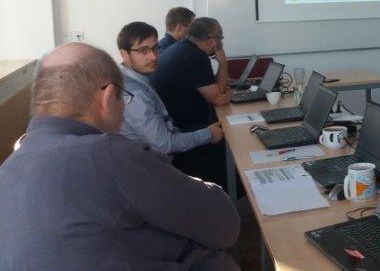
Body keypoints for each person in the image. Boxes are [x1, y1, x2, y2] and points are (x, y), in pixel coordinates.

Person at [0, 43, 240, 270]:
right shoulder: (109, 153)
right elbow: (224, 225)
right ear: (107, 98)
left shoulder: (7, 169)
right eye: (123, 96)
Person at [117, 21, 225, 155]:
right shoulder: (135, 94)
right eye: (143, 50)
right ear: (124, 54)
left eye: (155, 48)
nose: (154, 56)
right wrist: (209, 134)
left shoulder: (131, 78)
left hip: (168, 139)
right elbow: (165, 145)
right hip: (157, 160)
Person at [150, 17, 232, 188]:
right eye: (221, 38)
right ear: (212, 41)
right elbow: (218, 98)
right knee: (237, 145)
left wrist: (221, 92)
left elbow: (214, 89)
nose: (221, 43)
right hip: (185, 133)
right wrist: (223, 62)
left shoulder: (181, 48)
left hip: (175, 126)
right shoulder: (195, 57)